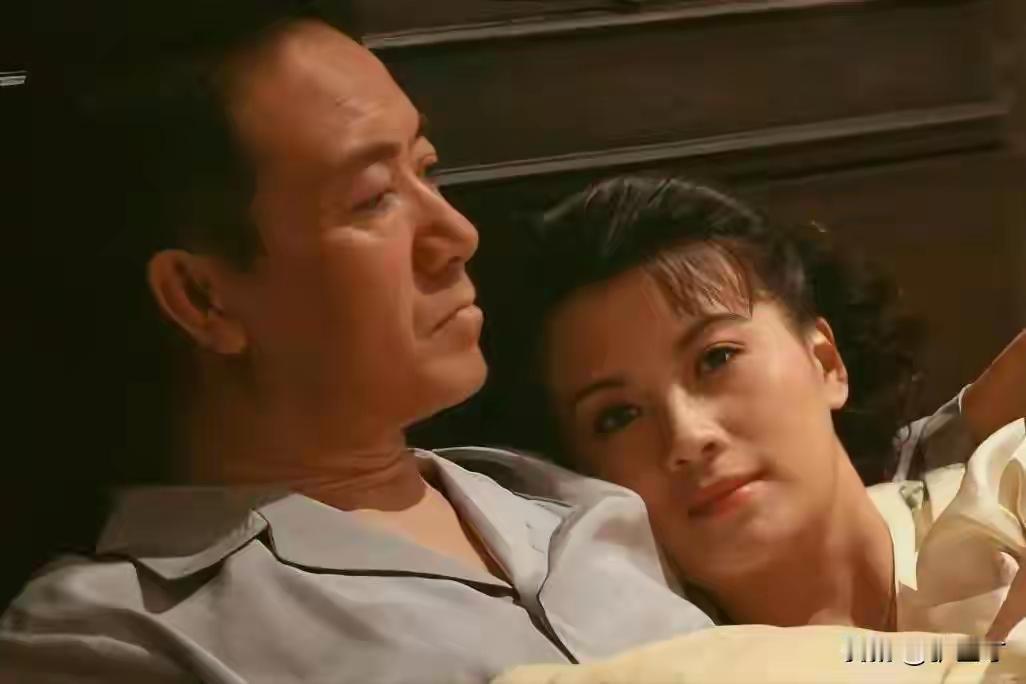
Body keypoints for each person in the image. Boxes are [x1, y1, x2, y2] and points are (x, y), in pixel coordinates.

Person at [4, 6, 1014, 684]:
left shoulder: (571, 499)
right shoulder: (115, 635)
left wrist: (978, 638)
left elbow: (844, 572)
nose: (453, 236)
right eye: (373, 199)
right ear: (201, 296)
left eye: (428, 172)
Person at [477, 175, 1026, 641]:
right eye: (617, 416)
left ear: (825, 362)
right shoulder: (649, 668)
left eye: (716, 358)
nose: (687, 436)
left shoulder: (1001, 495)